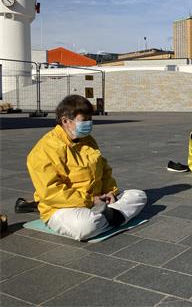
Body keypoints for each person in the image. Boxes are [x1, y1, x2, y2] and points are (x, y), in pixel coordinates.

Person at [26, 95, 147, 241]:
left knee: (139, 195)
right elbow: (51, 193)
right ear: (65, 121)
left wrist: (110, 192)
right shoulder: (44, 150)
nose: (89, 124)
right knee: (85, 226)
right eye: (84, 121)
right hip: (62, 208)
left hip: (97, 201)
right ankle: (114, 216)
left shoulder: (87, 140)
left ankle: (109, 215)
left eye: (90, 120)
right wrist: (90, 200)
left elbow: (104, 169)